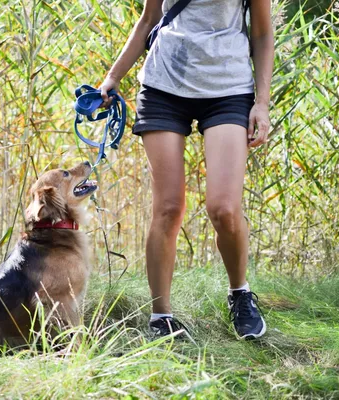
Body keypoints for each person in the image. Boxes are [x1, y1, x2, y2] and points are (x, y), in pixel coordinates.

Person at [99, 0, 273, 339]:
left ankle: (240, 294)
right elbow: (149, 18)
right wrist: (112, 77)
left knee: (223, 209)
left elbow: (263, 33)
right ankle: (160, 317)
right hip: (163, 86)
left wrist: (262, 103)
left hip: (228, 88)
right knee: (168, 208)